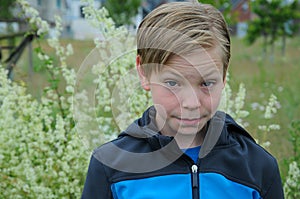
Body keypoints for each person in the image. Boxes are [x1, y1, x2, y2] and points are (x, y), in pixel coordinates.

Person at [81, 1, 284, 198]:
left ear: (223, 76)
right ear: (143, 73)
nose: (191, 104)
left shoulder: (257, 166)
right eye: (172, 83)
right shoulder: (110, 166)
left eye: (206, 83)